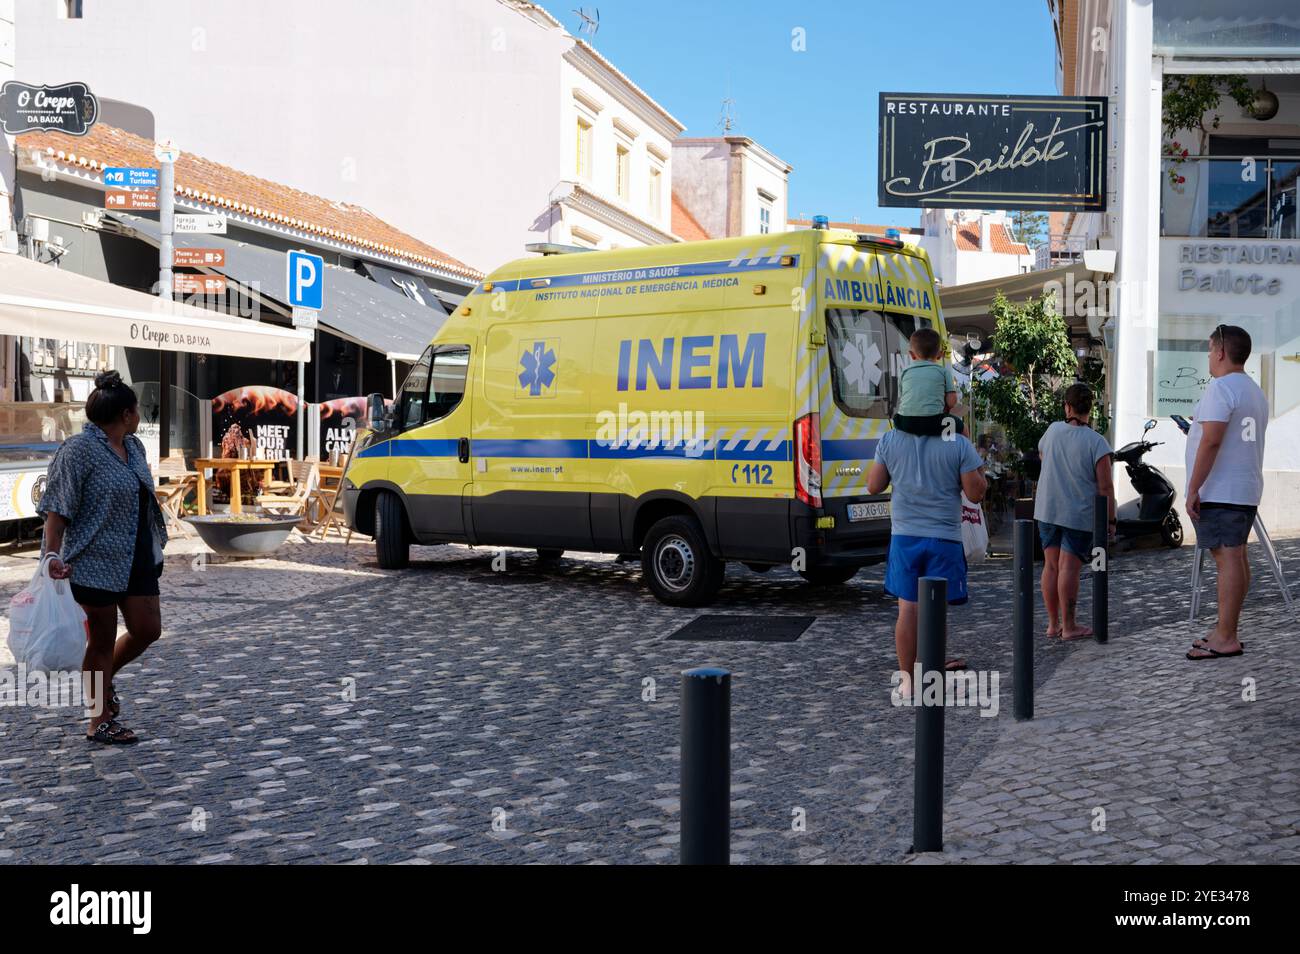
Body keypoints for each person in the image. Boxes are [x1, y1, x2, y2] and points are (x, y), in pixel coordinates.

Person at [37, 370, 169, 745]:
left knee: (148, 629)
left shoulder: (136, 448)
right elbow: (57, 509)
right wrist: (51, 555)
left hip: (137, 554)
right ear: (127, 414)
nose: (140, 416)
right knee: (100, 640)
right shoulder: (78, 450)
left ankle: (105, 677)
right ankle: (99, 720)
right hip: (93, 559)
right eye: (138, 410)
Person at [868, 421, 987, 697]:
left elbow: (874, 485)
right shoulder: (956, 442)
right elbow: (976, 492)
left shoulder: (890, 439)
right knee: (935, 612)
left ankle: (908, 683)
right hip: (944, 538)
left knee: (907, 609)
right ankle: (931, 679)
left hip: (905, 537)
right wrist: (974, 459)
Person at [1184, 324, 1267, 661]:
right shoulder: (1252, 389)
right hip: (1243, 488)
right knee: (1236, 556)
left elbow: (1213, 439)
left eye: (1209, 349)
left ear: (1220, 351)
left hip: (1221, 490)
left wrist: (1192, 488)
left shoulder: (1221, 388)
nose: (1207, 356)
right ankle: (1226, 629)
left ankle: (1226, 636)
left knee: (1227, 557)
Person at [1034, 383, 1114, 640]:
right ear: (1090, 408)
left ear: (1067, 407)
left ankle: (1052, 624)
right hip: (1077, 513)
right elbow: (1105, 486)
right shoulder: (1097, 442)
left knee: (1051, 566)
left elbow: (1043, 455)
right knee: (1069, 568)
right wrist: (1110, 520)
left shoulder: (1053, 430)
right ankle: (1069, 626)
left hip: (1047, 508)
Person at [893, 328, 959, 437]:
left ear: (911, 354)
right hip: (933, 421)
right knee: (963, 428)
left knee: (897, 418)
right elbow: (952, 402)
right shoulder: (943, 372)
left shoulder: (905, 372)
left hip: (906, 422)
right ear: (940, 354)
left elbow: (903, 398)